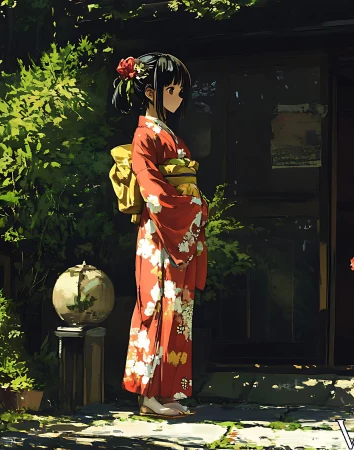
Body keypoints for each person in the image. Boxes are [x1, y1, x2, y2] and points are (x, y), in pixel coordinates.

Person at [111, 53, 208, 418]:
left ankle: (168, 392)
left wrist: (194, 208)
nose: (178, 98)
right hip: (159, 230)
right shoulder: (144, 136)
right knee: (154, 306)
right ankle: (148, 394)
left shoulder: (170, 136)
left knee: (177, 310)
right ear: (151, 92)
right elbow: (151, 187)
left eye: (181, 91)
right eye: (172, 90)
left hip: (178, 227)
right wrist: (189, 209)